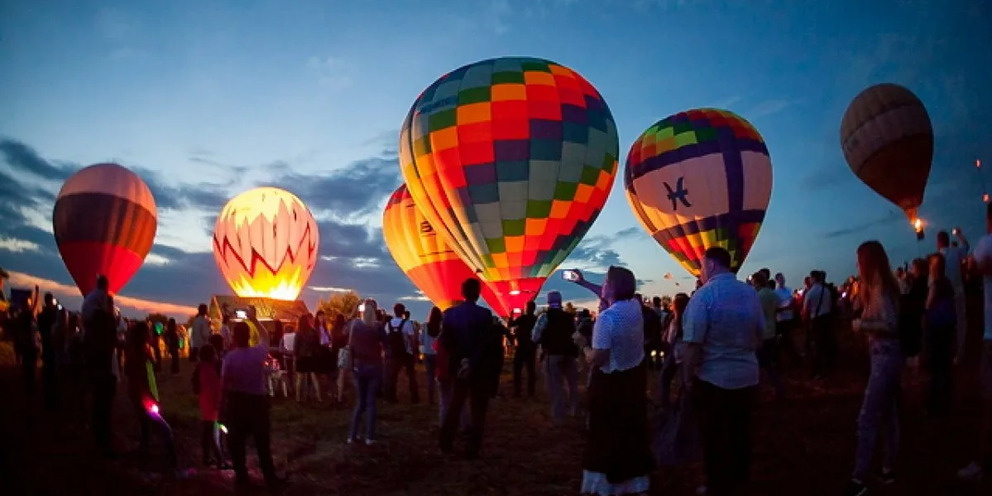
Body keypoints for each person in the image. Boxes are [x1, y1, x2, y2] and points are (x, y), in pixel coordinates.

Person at [684, 247, 764, 496]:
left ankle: (717, 485)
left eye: (701, 265)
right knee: (741, 432)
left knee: (715, 436)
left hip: (714, 379)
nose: (700, 270)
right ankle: (741, 478)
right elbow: (761, 333)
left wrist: (687, 376)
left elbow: (693, 343)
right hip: (748, 376)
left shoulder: (704, 296)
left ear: (710, 265)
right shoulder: (750, 293)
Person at [578, 266, 653, 496]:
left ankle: (606, 485)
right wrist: (582, 282)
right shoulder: (634, 308)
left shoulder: (606, 318)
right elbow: (605, 294)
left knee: (605, 435)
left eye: (604, 282)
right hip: (632, 382)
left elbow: (598, 359)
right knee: (630, 433)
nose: (602, 285)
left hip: (609, 387)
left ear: (612, 287)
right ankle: (635, 482)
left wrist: (583, 345)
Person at [845, 241, 903, 496]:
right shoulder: (876, 287)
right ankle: (889, 467)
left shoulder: (882, 287)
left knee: (868, 417)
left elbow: (889, 323)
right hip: (882, 355)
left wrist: (862, 326)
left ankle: (859, 478)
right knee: (888, 414)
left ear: (867, 261)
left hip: (885, 355)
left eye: (859, 260)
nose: (857, 265)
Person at [222, 306, 283, 489]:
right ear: (249, 336)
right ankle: (270, 479)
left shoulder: (230, 359)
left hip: (237, 403)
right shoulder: (258, 353)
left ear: (234, 337)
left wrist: (222, 407)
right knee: (262, 444)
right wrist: (254, 319)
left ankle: (242, 478)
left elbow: (225, 385)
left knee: (237, 444)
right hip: (258, 404)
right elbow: (265, 337)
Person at [439, 278, 499, 459]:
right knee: (478, 408)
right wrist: (472, 361)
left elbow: (445, 342)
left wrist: (460, 361)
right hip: (478, 368)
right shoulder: (485, 315)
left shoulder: (450, 314)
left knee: (456, 404)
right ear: (478, 293)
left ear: (462, 293)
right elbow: (487, 345)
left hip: (458, 367)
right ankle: (473, 448)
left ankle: (446, 442)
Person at [958, 204, 992, 482]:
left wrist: (969, 265)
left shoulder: (986, 244)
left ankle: (981, 462)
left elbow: (972, 272)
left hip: (991, 335)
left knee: (988, 401)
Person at [125, 321, 178, 471]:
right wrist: (149, 399)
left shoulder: (141, 352)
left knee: (146, 428)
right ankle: (171, 463)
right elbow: (140, 379)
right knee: (165, 430)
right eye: (147, 332)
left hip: (145, 396)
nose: (150, 334)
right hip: (145, 398)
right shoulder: (138, 356)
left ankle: (145, 456)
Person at [82, 274, 118, 457]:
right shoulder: (104, 303)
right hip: (103, 366)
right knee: (103, 403)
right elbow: (109, 328)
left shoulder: (89, 299)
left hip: (94, 361)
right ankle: (103, 439)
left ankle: (97, 436)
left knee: (98, 401)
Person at [533, 291, 580, 426]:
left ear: (548, 302)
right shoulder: (569, 317)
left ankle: (559, 416)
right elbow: (575, 335)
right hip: (569, 353)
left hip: (553, 353)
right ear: (560, 301)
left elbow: (535, 336)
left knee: (555, 385)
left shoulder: (545, 317)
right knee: (572, 384)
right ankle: (575, 410)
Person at [348, 299, 388, 445]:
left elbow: (350, 344)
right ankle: (369, 437)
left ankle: (352, 435)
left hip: (359, 367)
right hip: (374, 367)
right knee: (371, 402)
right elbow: (387, 343)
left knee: (360, 402)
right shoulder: (377, 327)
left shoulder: (355, 325)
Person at [925, 253, 955, 416]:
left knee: (936, 366)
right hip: (947, 327)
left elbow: (928, 305)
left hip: (937, 328)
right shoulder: (948, 283)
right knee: (945, 364)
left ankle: (935, 403)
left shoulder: (936, 284)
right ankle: (947, 399)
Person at [936, 229, 969, 363]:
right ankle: (960, 353)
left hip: (945, 297)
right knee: (960, 324)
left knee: (946, 325)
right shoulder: (956, 252)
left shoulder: (937, 258)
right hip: (958, 292)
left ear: (938, 242)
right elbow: (966, 246)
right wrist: (960, 234)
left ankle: (948, 352)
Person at [193, 345, 227, 469]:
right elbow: (217, 388)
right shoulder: (213, 369)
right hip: (214, 405)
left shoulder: (200, 368)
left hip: (205, 403)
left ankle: (206, 457)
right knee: (215, 434)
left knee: (207, 431)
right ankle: (220, 460)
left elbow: (196, 387)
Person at [753, 273, 785, 400]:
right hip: (772, 330)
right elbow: (778, 307)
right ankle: (777, 388)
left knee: (759, 364)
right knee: (767, 363)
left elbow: (755, 315)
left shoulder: (758, 296)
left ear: (756, 282)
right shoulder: (772, 294)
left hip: (762, 334)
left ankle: (759, 391)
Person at [659, 293, 690, 411]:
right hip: (686, 353)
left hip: (676, 352)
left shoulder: (674, 320)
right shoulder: (689, 319)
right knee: (684, 382)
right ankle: (683, 406)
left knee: (665, 378)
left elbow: (670, 339)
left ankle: (666, 405)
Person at [384, 303, 419, 404]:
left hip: (393, 354)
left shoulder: (389, 324)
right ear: (403, 311)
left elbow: (386, 339)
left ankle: (391, 397)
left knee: (392, 376)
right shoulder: (407, 323)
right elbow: (412, 339)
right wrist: (414, 351)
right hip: (406, 353)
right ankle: (414, 397)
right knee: (411, 375)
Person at [804, 270, 834, 379]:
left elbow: (805, 310)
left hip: (816, 320)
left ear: (813, 278)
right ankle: (828, 366)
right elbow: (830, 305)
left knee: (816, 345)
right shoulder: (826, 291)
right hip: (826, 319)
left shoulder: (811, 293)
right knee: (825, 343)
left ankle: (817, 371)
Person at [509, 301, 538, 398]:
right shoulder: (536, 319)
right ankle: (531, 392)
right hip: (531, 347)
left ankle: (517, 392)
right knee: (531, 371)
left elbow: (511, 324)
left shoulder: (522, 318)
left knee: (517, 370)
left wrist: (511, 315)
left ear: (527, 308)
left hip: (521, 347)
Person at [294, 313, 323, 403]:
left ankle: (298, 398)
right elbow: (317, 345)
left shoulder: (298, 333)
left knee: (299, 378)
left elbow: (296, 347)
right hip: (311, 357)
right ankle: (319, 397)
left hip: (301, 357)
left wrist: (295, 357)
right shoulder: (313, 332)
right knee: (314, 377)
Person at [37, 293, 59, 409]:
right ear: (51, 301)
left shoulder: (41, 316)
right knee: (53, 373)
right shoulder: (53, 315)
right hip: (53, 347)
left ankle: (47, 398)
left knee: (47, 372)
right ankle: (53, 399)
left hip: (46, 347)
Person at [774, 273, 802, 363]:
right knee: (787, 338)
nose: (782, 280)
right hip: (782, 318)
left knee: (788, 337)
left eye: (783, 278)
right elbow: (775, 308)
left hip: (790, 316)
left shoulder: (789, 290)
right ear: (777, 281)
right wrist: (786, 308)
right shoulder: (776, 293)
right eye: (780, 279)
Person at [422, 307, 443, 405]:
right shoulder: (442, 327)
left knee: (429, 377)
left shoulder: (425, 326)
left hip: (427, 353)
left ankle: (430, 398)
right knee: (440, 376)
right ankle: (441, 396)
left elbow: (421, 340)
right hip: (438, 354)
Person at [331, 314, 350, 403]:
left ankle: (334, 393)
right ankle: (340, 397)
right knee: (341, 375)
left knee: (336, 375)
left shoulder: (333, 330)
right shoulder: (345, 330)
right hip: (342, 352)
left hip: (334, 352)